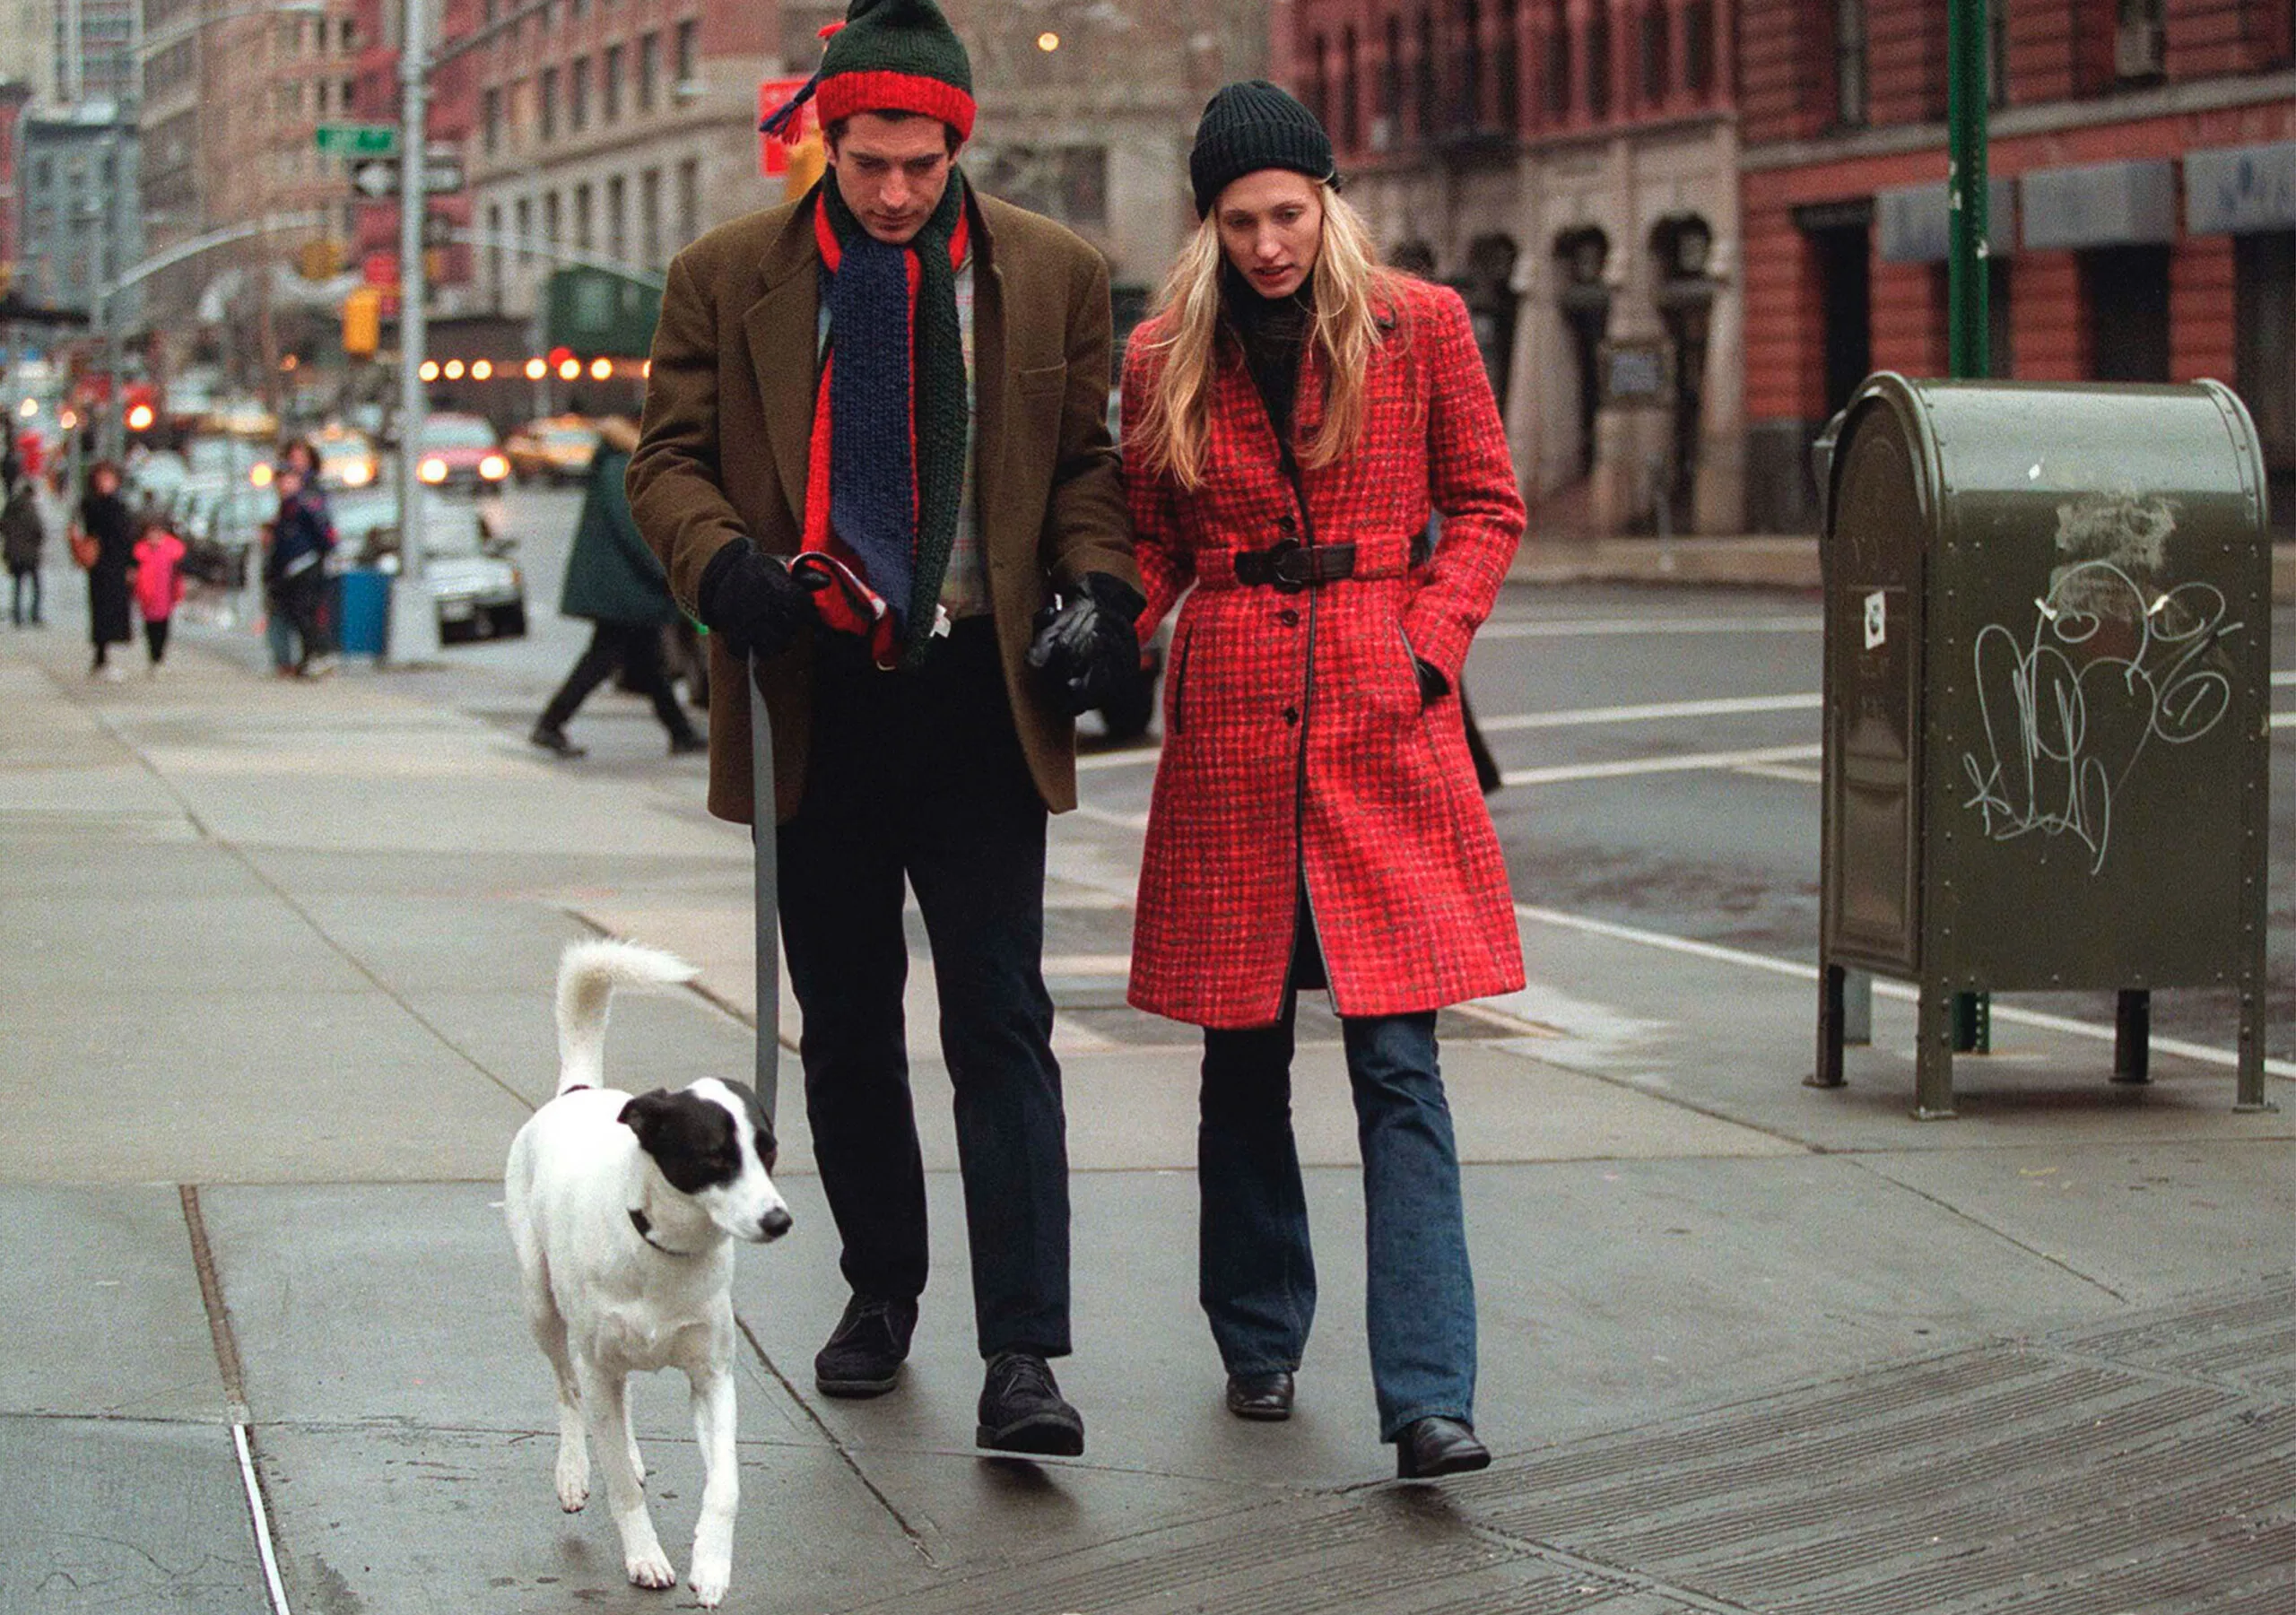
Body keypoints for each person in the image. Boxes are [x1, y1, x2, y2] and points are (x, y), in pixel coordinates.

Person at [629, 0, 1141, 1458]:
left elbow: (1088, 469)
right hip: (815, 701)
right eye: (869, 162)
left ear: (957, 143)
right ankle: (880, 1291)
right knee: (847, 1033)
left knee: (1002, 1028)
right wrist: (720, 558)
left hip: (984, 701)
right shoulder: (727, 278)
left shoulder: (1051, 273)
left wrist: (1101, 588)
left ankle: (1027, 1352)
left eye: (921, 163)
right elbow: (664, 462)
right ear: (826, 141)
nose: (898, 191)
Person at [1120, 82, 1526, 1479]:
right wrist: (1106, 622)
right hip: (1234, 722)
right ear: (1209, 224)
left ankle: (1428, 1395)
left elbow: (1486, 505)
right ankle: (1259, 1340)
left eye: (1289, 214)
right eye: (1241, 222)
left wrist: (1426, 649)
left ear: (1328, 200)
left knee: (1399, 1065)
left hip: (1376, 713)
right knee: (1240, 1058)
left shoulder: (1421, 327)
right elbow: (1154, 540)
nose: (1270, 245)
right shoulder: (1166, 349)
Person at [531, 418, 706, 759]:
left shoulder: (616, 463)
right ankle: (551, 723)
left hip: (621, 583)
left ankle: (680, 731)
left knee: (647, 659)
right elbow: (636, 528)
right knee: (604, 656)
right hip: (622, 585)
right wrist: (665, 571)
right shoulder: (619, 466)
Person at [265, 465, 336, 677]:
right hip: (290, 570)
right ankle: (309, 657)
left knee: (305, 613)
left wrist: (321, 556)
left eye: (288, 479)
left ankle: (318, 654)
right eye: (281, 480)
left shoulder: (303, 505)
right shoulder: (286, 507)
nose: (283, 484)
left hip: (305, 566)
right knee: (297, 614)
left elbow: (323, 534)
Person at [73, 462, 138, 679]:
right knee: (101, 611)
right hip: (101, 565)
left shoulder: (119, 505)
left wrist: (131, 565)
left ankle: (104, 656)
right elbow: (85, 526)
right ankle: (100, 657)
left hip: (117, 564)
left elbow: (127, 537)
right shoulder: (92, 505)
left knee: (115, 610)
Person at [132, 514, 188, 673]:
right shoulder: (141, 552)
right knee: (150, 628)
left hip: (166, 596)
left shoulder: (172, 551)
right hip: (147, 596)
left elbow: (179, 571)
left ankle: (159, 657)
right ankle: (153, 657)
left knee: (163, 628)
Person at [3, 456, 44, 628]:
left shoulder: (10, 508)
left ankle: (18, 616)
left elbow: (3, 526)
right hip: (30, 553)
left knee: (18, 586)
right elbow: (38, 530)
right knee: (35, 585)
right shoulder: (30, 509)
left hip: (14, 553)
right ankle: (34, 615)